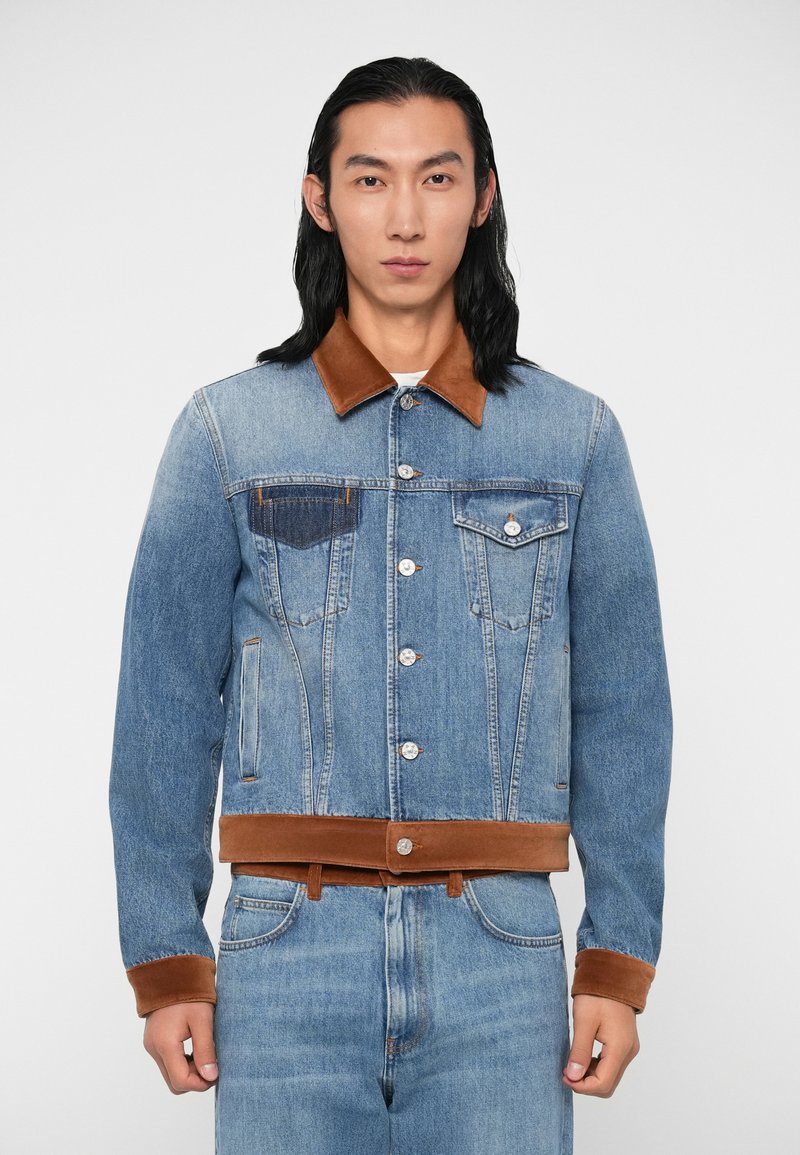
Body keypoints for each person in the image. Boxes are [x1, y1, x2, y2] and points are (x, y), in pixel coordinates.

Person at [109, 55, 672, 1155]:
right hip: (283, 951)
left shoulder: (573, 438)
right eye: (370, 179)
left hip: (501, 954)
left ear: (483, 196)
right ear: (320, 199)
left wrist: (617, 956)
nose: (405, 217)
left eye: (436, 178)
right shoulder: (228, 432)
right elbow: (164, 703)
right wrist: (166, 955)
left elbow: (623, 707)